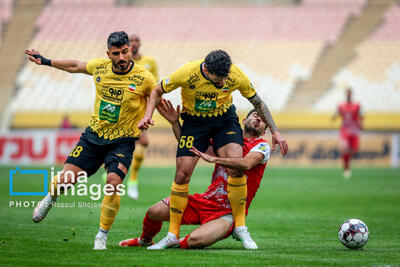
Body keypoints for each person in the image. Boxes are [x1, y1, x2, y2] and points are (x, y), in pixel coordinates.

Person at [138, 49, 288, 249]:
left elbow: (258, 102)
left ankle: (240, 227)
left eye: (226, 78)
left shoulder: (236, 75)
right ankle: (172, 235)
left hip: (224, 121)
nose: (224, 83)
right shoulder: (187, 73)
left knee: (235, 166)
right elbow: (157, 90)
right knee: (182, 175)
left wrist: (275, 132)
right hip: (194, 123)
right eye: (219, 80)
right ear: (206, 71)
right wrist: (149, 116)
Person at [25, 31, 157, 250]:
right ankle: (50, 198)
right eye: (116, 54)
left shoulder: (144, 76)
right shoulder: (100, 67)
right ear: (109, 54)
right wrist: (46, 61)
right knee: (64, 180)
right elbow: (75, 65)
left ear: (130, 50)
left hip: (122, 140)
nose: (122, 58)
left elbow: (154, 93)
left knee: (113, 183)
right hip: (93, 138)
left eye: (125, 52)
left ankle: (102, 235)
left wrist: (147, 117)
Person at [120, 99, 270, 249]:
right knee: (153, 212)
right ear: (244, 120)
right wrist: (174, 123)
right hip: (205, 201)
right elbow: (191, 147)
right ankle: (144, 240)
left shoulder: (262, 146)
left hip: (228, 212)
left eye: (263, 121)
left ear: (264, 131)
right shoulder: (224, 140)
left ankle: (178, 241)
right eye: (256, 115)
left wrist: (214, 158)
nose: (258, 119)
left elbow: (247, 163)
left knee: (195, 241)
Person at [106, 33, 159, 200]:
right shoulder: (119, 61)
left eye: (137, 40)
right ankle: (110, 170)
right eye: (132, 40)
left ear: (139, 44)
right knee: (110, 142)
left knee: (143, 141)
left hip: (139, 110)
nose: (135, 43)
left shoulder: (149, 63)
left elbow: (154, 89)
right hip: (118, 109)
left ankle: (133, 180)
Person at [332, 87, 362, 179]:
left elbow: (361, 116)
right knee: (345, 150)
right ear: (346, 95)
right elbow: (336, 114)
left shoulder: (356, 106)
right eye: (347, 94)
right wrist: (334, 117)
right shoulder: (341, 106)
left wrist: (361, 124)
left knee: (354, 150)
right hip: (344, 131)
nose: (348, 95)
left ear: (351, 95)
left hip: (354, 131)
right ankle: (346, 169)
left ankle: (347, 161)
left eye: (350, 94)